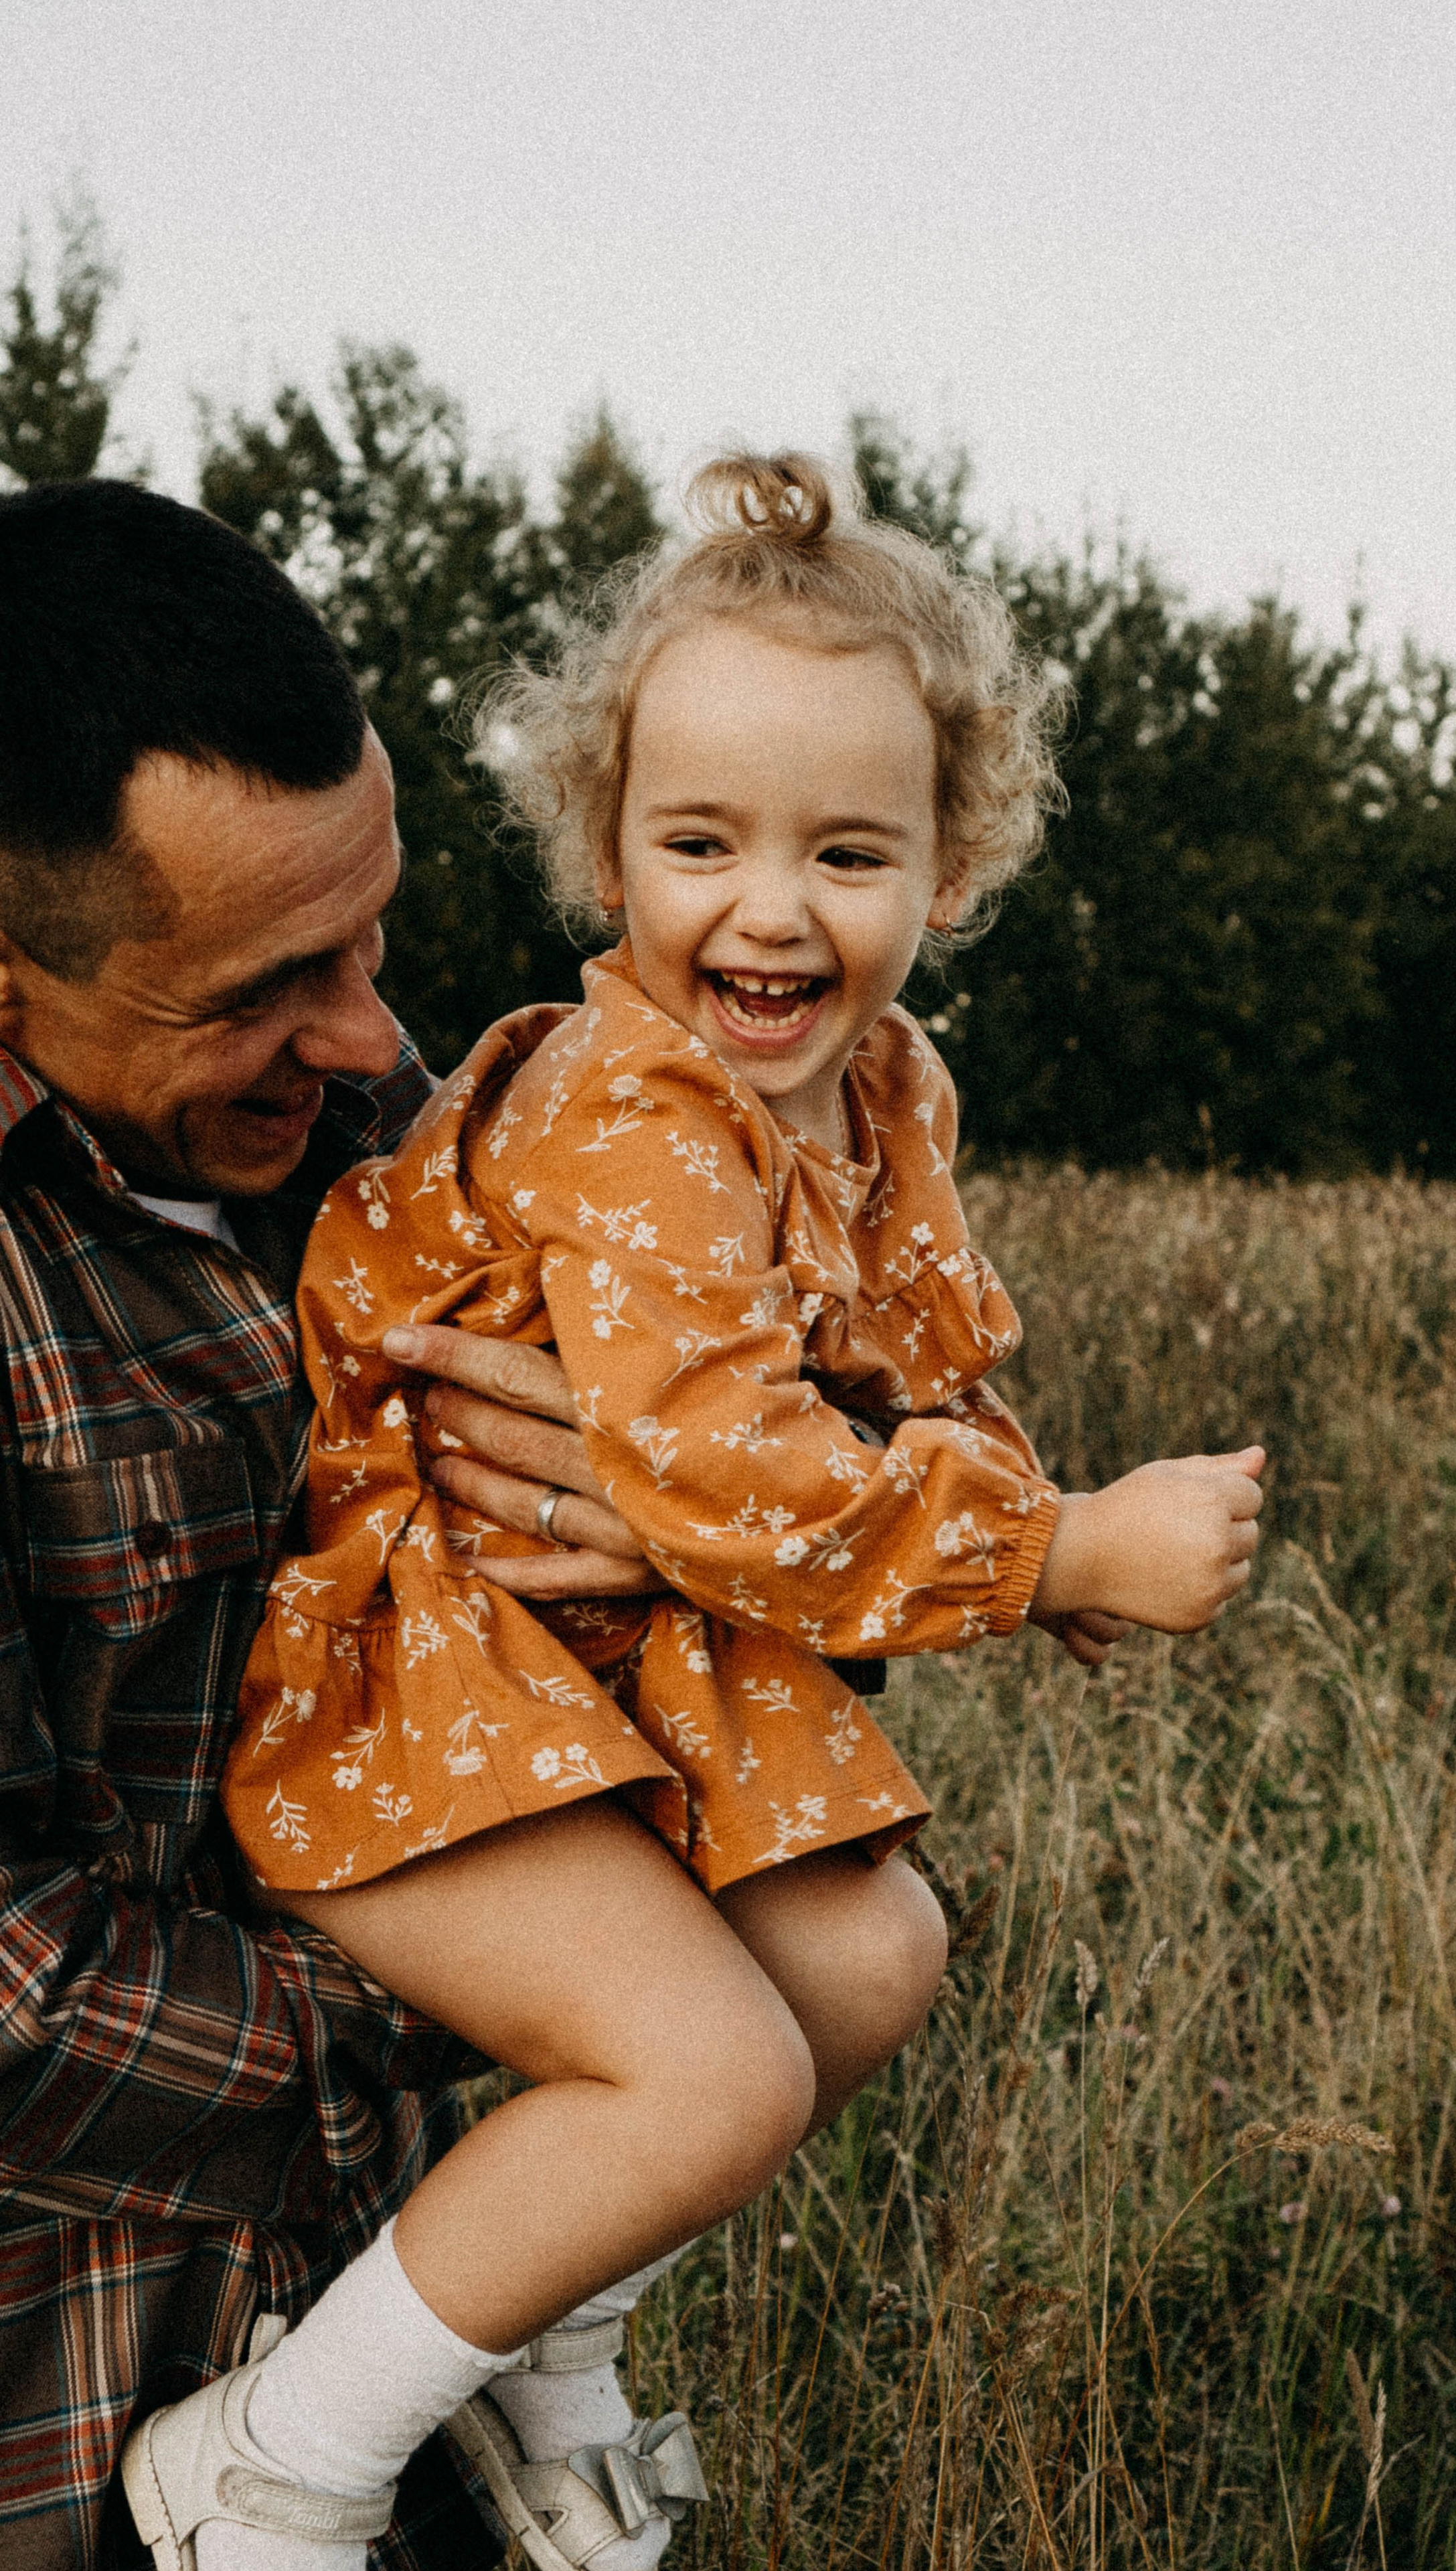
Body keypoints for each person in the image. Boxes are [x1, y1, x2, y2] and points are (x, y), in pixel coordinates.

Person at [125, 453, 1267, 2571]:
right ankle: (271, 2462)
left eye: (849, 850)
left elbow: (912, 1365)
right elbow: (717, 1469)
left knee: (871, 1954)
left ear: (954, 858)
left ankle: (550, 2345)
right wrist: (1051, 1560)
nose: (770, 907)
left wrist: (1025, 1497)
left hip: (633, 1659)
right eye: (700, 842)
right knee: (718, 2076)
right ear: (610, 844)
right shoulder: (632, 1100)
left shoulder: (888, 1085)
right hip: (434, 1658)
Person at [0, 477, 661, 2571]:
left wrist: (667, 1532)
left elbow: (756, 1539)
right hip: (68, 2404)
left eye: (376, 928)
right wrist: (539, 2000)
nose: (377, 1031)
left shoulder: (409, 1147)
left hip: (397, 2351)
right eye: (270, 983)